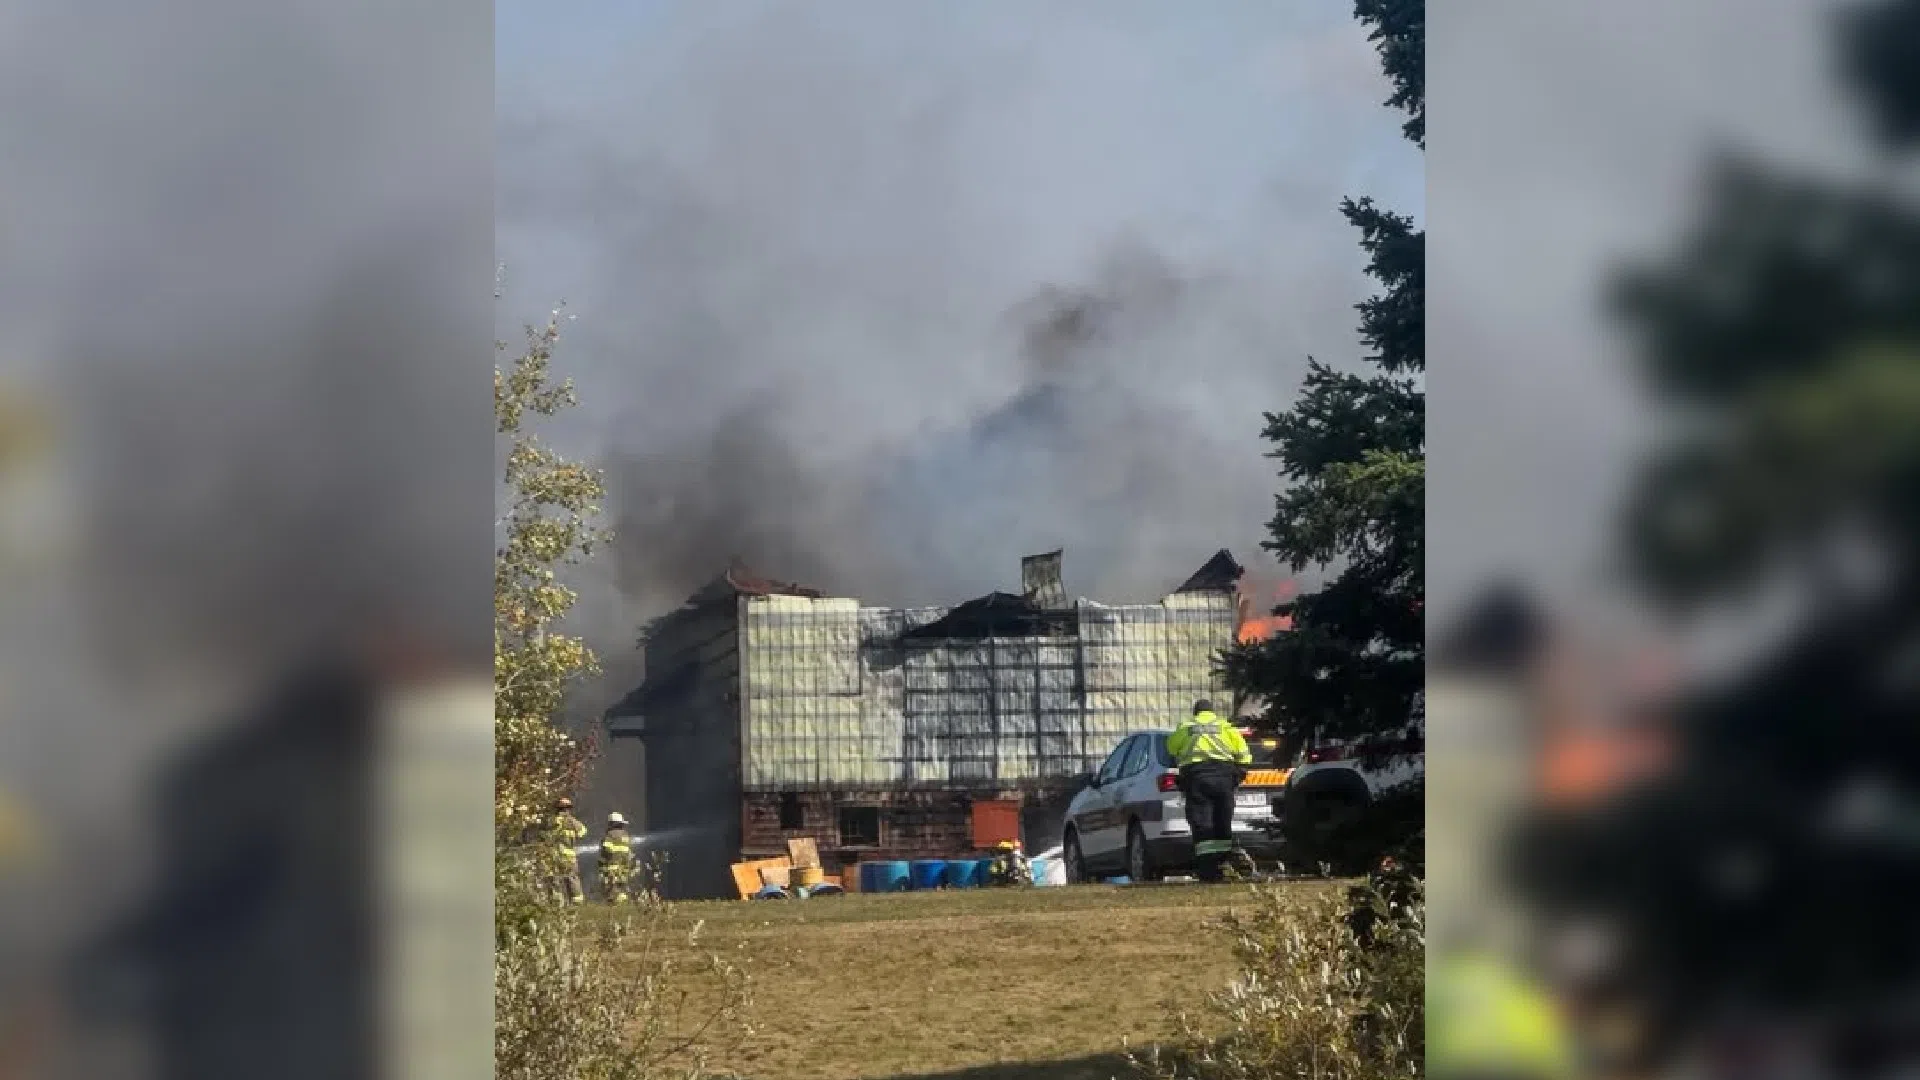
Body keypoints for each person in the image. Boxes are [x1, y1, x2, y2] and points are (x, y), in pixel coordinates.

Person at [1165, 699, 1253, 883]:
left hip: (1197, 778)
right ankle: (1224, 866)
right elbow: (1243, 753)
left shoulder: (1187, 727)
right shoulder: (1225, 727)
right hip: (1223, 777)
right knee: (1222, 819)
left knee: (1202, 822)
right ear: (1212, 712)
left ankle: (1207, 870)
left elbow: (1171, 747)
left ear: (1196, 713)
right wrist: (1239, 772)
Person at [548, 797, 588, 905]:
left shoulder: (552, 821)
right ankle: (576, 903)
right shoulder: (573, 822)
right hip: (570, 857)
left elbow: (544, 835)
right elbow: (583, 832)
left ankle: (556, 903)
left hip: (554, 855)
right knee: (572, 879)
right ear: (568, 809)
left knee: (555, 879)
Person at [597, 811, 637, 904]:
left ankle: (614, 904)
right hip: (624, 867)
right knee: (621, 887)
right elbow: (629, 852)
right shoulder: (626, 835)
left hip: (611, 867)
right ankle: (622, 903)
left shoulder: (610, 835)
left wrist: (601, 863)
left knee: (611, 890)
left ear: (611, 824)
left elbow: (607, 850)